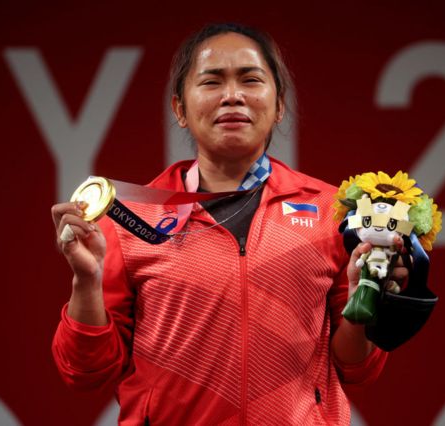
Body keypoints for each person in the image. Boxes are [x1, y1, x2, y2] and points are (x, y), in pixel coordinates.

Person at [51, 22, 406, 425]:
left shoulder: (332, 212)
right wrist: (86, 281)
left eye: (251, 79)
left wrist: (366, 303)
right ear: (180, 109)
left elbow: (357, 368)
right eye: (212, 81)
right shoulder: (132, 218)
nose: (233, 96)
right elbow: (85, 372)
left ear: (279, 105)